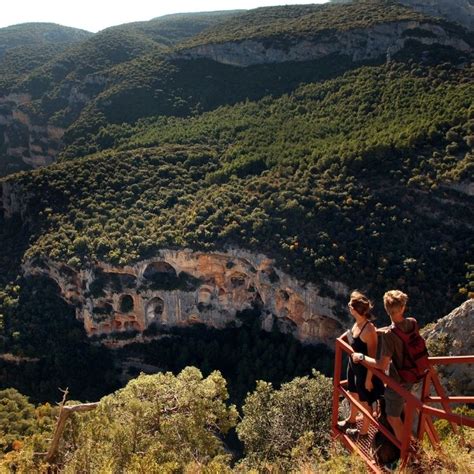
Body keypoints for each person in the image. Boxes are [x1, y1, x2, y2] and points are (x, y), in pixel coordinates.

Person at [351, 290, 416, 444]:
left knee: (393, 418)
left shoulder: (389, 336)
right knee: (403, 407)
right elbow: (401, 333)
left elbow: (381, 365)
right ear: (403, 308)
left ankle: (408, 453)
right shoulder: (412, 322)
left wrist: (361, 357)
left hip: (398, 380)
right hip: (414, 373)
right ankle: (411, 444)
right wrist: (382, 331)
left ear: (387, 310)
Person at [338, 291, 383, 439]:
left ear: (356, 309)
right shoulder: (357, 323)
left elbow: (373, 356)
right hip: (353, 366)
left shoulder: (369, 330)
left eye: (351, 306)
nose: (349, 307)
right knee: (353, 394)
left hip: (364, 372)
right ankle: (351, 420)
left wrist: (369, 379)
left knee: (365, 402)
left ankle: (363, 432)